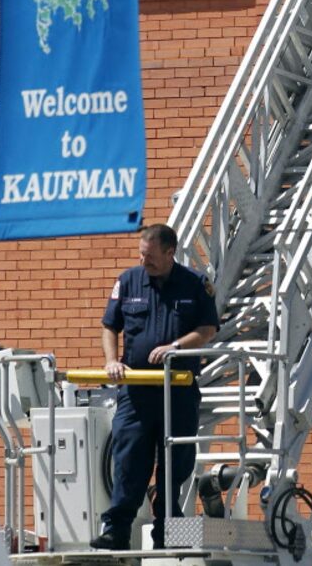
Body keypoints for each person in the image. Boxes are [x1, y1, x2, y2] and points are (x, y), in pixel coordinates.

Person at [89, 224, 219, 552]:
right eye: (141, 254)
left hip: (177, 391)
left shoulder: (194, 284)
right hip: (136, 393)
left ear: (169, 253)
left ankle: (167, 530)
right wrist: (111, 361)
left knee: (174, 461)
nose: (143, 260)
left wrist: (176, 346)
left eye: (149, 255)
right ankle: (116, 531)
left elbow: (206, 330)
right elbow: (109, 327)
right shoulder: (128, 280)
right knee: (129, 460)